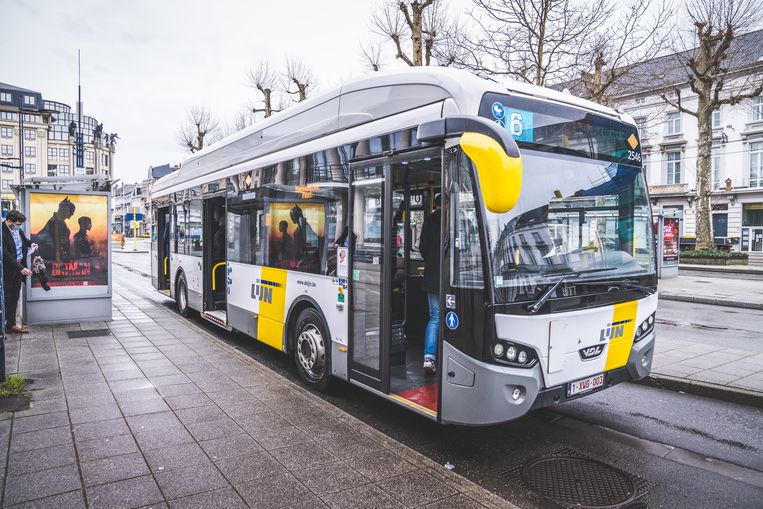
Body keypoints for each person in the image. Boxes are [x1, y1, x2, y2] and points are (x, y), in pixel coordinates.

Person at [3, 210, 35, 334]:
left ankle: (11, 325)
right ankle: (4, 325)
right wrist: (20, 268)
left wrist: (31, 244)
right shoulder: (2, 232)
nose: (18, 227)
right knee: (6, 297)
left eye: (20, 224)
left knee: (15, 296)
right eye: (17, 224)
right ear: (9, 221)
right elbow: (5, 254)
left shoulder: (17, 229)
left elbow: (24, 239)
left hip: (19, 268)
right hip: (9, 270)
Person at [419, 193, 441, 374]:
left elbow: (422, 248)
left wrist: (432, 262)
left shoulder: (431, 220)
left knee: (435, 317)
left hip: (433, 277)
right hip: (452, 280)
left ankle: (429, 358)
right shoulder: (456, 219)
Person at [35, 196, 75, 262]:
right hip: (52, 259)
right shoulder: (54, 222)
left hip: (55, 258)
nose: (72, 213)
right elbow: (56, 243)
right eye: (71, 211)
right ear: (65, 209)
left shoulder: (60, 222)